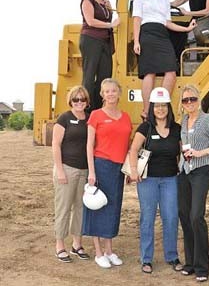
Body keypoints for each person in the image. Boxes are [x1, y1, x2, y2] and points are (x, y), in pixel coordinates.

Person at [132, 0, 197, 120]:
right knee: (149, 72)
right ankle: (147, 111)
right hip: (147, 33)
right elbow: (137, 19)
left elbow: (168, 23)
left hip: (162, 34)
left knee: (171, 72)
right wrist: (136, 41)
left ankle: (160, 105)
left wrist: (187, 29)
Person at [129, 87, 183, 274]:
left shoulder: (176, 129)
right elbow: (133, 150)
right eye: (157, 106)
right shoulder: (146, 127)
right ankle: (146, 258)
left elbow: (183, 152)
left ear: (168, 107)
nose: (160, 109)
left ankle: (172, 256)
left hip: (170, 180)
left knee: (170, 217)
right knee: (148, 218)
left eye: (163, 105)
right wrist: (134, 171)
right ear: (151, 107)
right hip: (148, 181)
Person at [82, 78, 132, 269]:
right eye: (106, 91)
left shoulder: (125, 116)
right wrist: (92, 172)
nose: (110, 94)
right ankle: (98, 252)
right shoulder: (95, 115)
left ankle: (109, 251)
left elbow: (127, 146)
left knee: (113, 209)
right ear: (102, 95)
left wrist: (128, 169)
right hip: (101, 166)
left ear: (119, 93)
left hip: (118, 169)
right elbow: (89, 145)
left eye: (113, 91)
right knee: (98, 208)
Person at [178, 85, 209, 282]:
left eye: (192, 99)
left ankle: (202, 267)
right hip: (184, 171)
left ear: (199, 100)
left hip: (200, 172)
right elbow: (183, 143)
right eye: (185, 100)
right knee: (184, 214)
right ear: (182, 104)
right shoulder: (183, 121)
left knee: (197, 216)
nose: (189, 103)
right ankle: (189, 263)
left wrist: (201, 153)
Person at [52, 85, 90, 263]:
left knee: (80, 209)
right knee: (64, 208)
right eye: (76, 99)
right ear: (70, 101)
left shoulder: (89, 119)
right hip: (66, 169)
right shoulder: (64, 118)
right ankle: (60, 245)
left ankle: (77, 244)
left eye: (82, 99)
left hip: (84, 170)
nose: (79, 102)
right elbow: (56, 144)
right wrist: (60, 170)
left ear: (87, 101)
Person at [80, 0, 120, 112]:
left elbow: (109, 18)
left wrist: (109, 9)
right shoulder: (87, 0)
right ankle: (85, 109)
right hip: (91, 40)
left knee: (105, 76)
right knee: (89, 76)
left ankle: (98, 110)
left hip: (105, 42)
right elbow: (90, 21)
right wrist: (111, 25)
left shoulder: (105, 3)